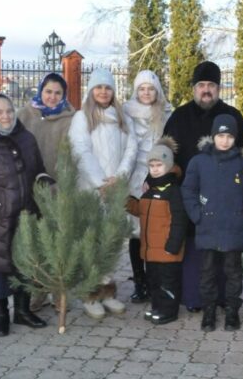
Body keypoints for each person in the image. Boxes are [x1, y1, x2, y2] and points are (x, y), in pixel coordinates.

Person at [164, 60, 243, 313]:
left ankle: (225, 297)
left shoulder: (233, 116)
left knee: (226, 250)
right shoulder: (179, 116)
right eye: (201, 85)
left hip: (227, 199)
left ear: (219, 88)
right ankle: (195, 298)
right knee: (194, 248)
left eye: (211, 85)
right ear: (194, 88)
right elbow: (166, 152)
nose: (206, 90)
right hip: (190, 195)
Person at [68, 69, 138, 319]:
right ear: (91, 90)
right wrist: (100, 182)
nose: (103, 92)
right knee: (93, 241)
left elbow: (132, 148)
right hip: (92, 189)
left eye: (107, 87)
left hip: (116, 188)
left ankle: (108, 292)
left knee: (113, 241)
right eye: (98, 87)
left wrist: (119, 177)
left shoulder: (122, 118)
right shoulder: (82, 118)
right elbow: (81, 151)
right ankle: (90, 294)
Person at [181, 114, 243, 332]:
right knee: (207, 272)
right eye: (220, 135)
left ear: (235, 138)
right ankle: (209, 312)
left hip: (234, 227)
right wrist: (197, 214)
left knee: (233, 271)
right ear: (213, 136)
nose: (224, 141)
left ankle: (232, 311)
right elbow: (188, 190)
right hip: (207, 226)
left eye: (229, 136)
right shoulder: (199, 161)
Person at [0, 93, 51, 336]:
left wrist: (46, 183)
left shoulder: (26, 138)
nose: (5, 116)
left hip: (27, 214)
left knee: (25, 264)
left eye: (9, 111)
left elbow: (39, 170)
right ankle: (0, 315)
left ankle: (22, 311)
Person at [17, 72, 76, 312]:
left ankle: (58, 292)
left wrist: (65, 185)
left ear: (64, 96)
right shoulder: (24, 115)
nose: (52, 97)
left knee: (57, 242)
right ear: (41, 90)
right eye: (48, 91)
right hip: (28, 189)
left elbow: (74, 153)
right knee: (33, 242)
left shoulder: (71, 118)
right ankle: (36, 291)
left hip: (57, 188)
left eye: (58, 93)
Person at [123, 70, 172, 304]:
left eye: (150, 88)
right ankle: (139, 282)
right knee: (136, 234)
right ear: (136, 90)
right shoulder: (126, 112)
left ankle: (155, 282)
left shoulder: (166, 112)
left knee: (154, 233)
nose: (146, 92)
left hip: (158, 178)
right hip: (134, 178)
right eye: (142, 88)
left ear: (157, 91)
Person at [127, 137, 187, 325]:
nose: (155, 169)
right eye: (152, 165)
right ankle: (157, 307)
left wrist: (173, 245)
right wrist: (127, 202)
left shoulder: (174, 191)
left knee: (167, 282)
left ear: (168, 166)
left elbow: (180, 220)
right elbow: (141, 210)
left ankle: (169, 310)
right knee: (153, 281)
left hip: (168, 251)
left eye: (159, 165)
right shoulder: (149, 191)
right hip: (150, 251)